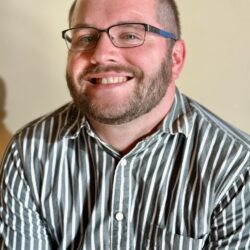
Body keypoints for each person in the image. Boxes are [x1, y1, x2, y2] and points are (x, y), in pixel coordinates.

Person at [0, 0, 250, 249]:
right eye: (86, 38)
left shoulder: (238, 168)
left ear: (174, 58)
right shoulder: (29, 154)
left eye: (130, 35)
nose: (100, 54)